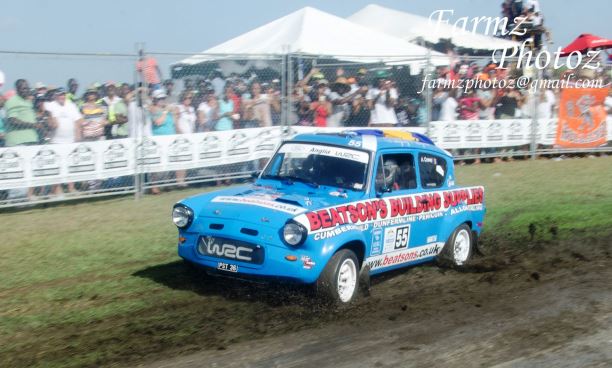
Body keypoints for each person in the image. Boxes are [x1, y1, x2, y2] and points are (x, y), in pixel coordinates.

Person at [46, 87, 83, 196]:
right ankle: (55, 190)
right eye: (60, 95)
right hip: (56, 141)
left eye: (63, 95)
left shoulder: (70, 105)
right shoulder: (51, 105)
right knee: (57, 167)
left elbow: (78, 119)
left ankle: (71, 189)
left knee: (70, 165)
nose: (62, 97)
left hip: (70, 141)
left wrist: (78, 133)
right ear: (56, 96)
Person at [148, 89, 177, 194]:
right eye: (160, 99)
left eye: (163, 99)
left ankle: (166, 183)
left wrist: (173, 112)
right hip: (159, 139)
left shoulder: (167, 110)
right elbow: (158, 122)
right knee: (157, 163)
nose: (162, 101)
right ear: (155, 99)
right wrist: (165, 111)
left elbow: (173, 122)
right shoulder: (153, 109)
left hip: (170, 138)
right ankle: (154, 186)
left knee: (168, 161)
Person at [4, 79, 39, 147]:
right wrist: (33, 125)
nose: (26, 90)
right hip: (19, 142)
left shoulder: (27, 101)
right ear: (17, 89)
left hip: (31, 140)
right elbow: (13, 121)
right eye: (23, 88)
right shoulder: (12, 101)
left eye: (27, 88)